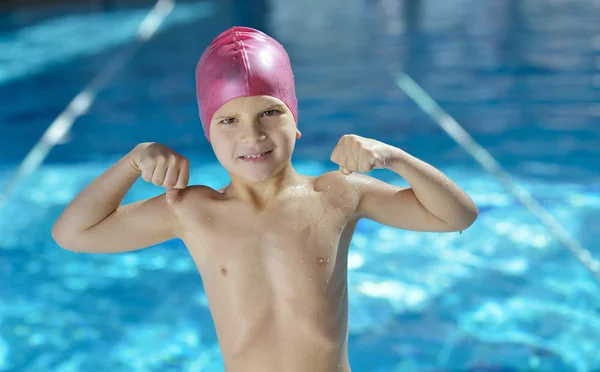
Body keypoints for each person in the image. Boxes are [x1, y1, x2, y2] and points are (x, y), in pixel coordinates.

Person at [52, 26, 478, 371]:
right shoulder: (192, 210)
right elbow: (73, 233)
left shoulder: (336, 193)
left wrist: (396, 158)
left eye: (270, 113)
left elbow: (456, 216)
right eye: (229, 120)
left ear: (296, 120)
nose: (252, 135)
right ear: (208, 131)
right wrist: (132, 162)